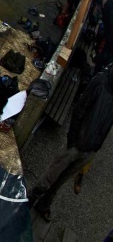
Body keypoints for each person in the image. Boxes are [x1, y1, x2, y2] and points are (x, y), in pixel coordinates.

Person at [28, 69, 113, 220]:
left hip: (90, 150)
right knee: (51, 175)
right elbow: (80, 108)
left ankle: (44, 204)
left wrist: (96, 147)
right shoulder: (100, 82)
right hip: (75, 144)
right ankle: (30, 200)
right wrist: (73, 139)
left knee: (61, 181)